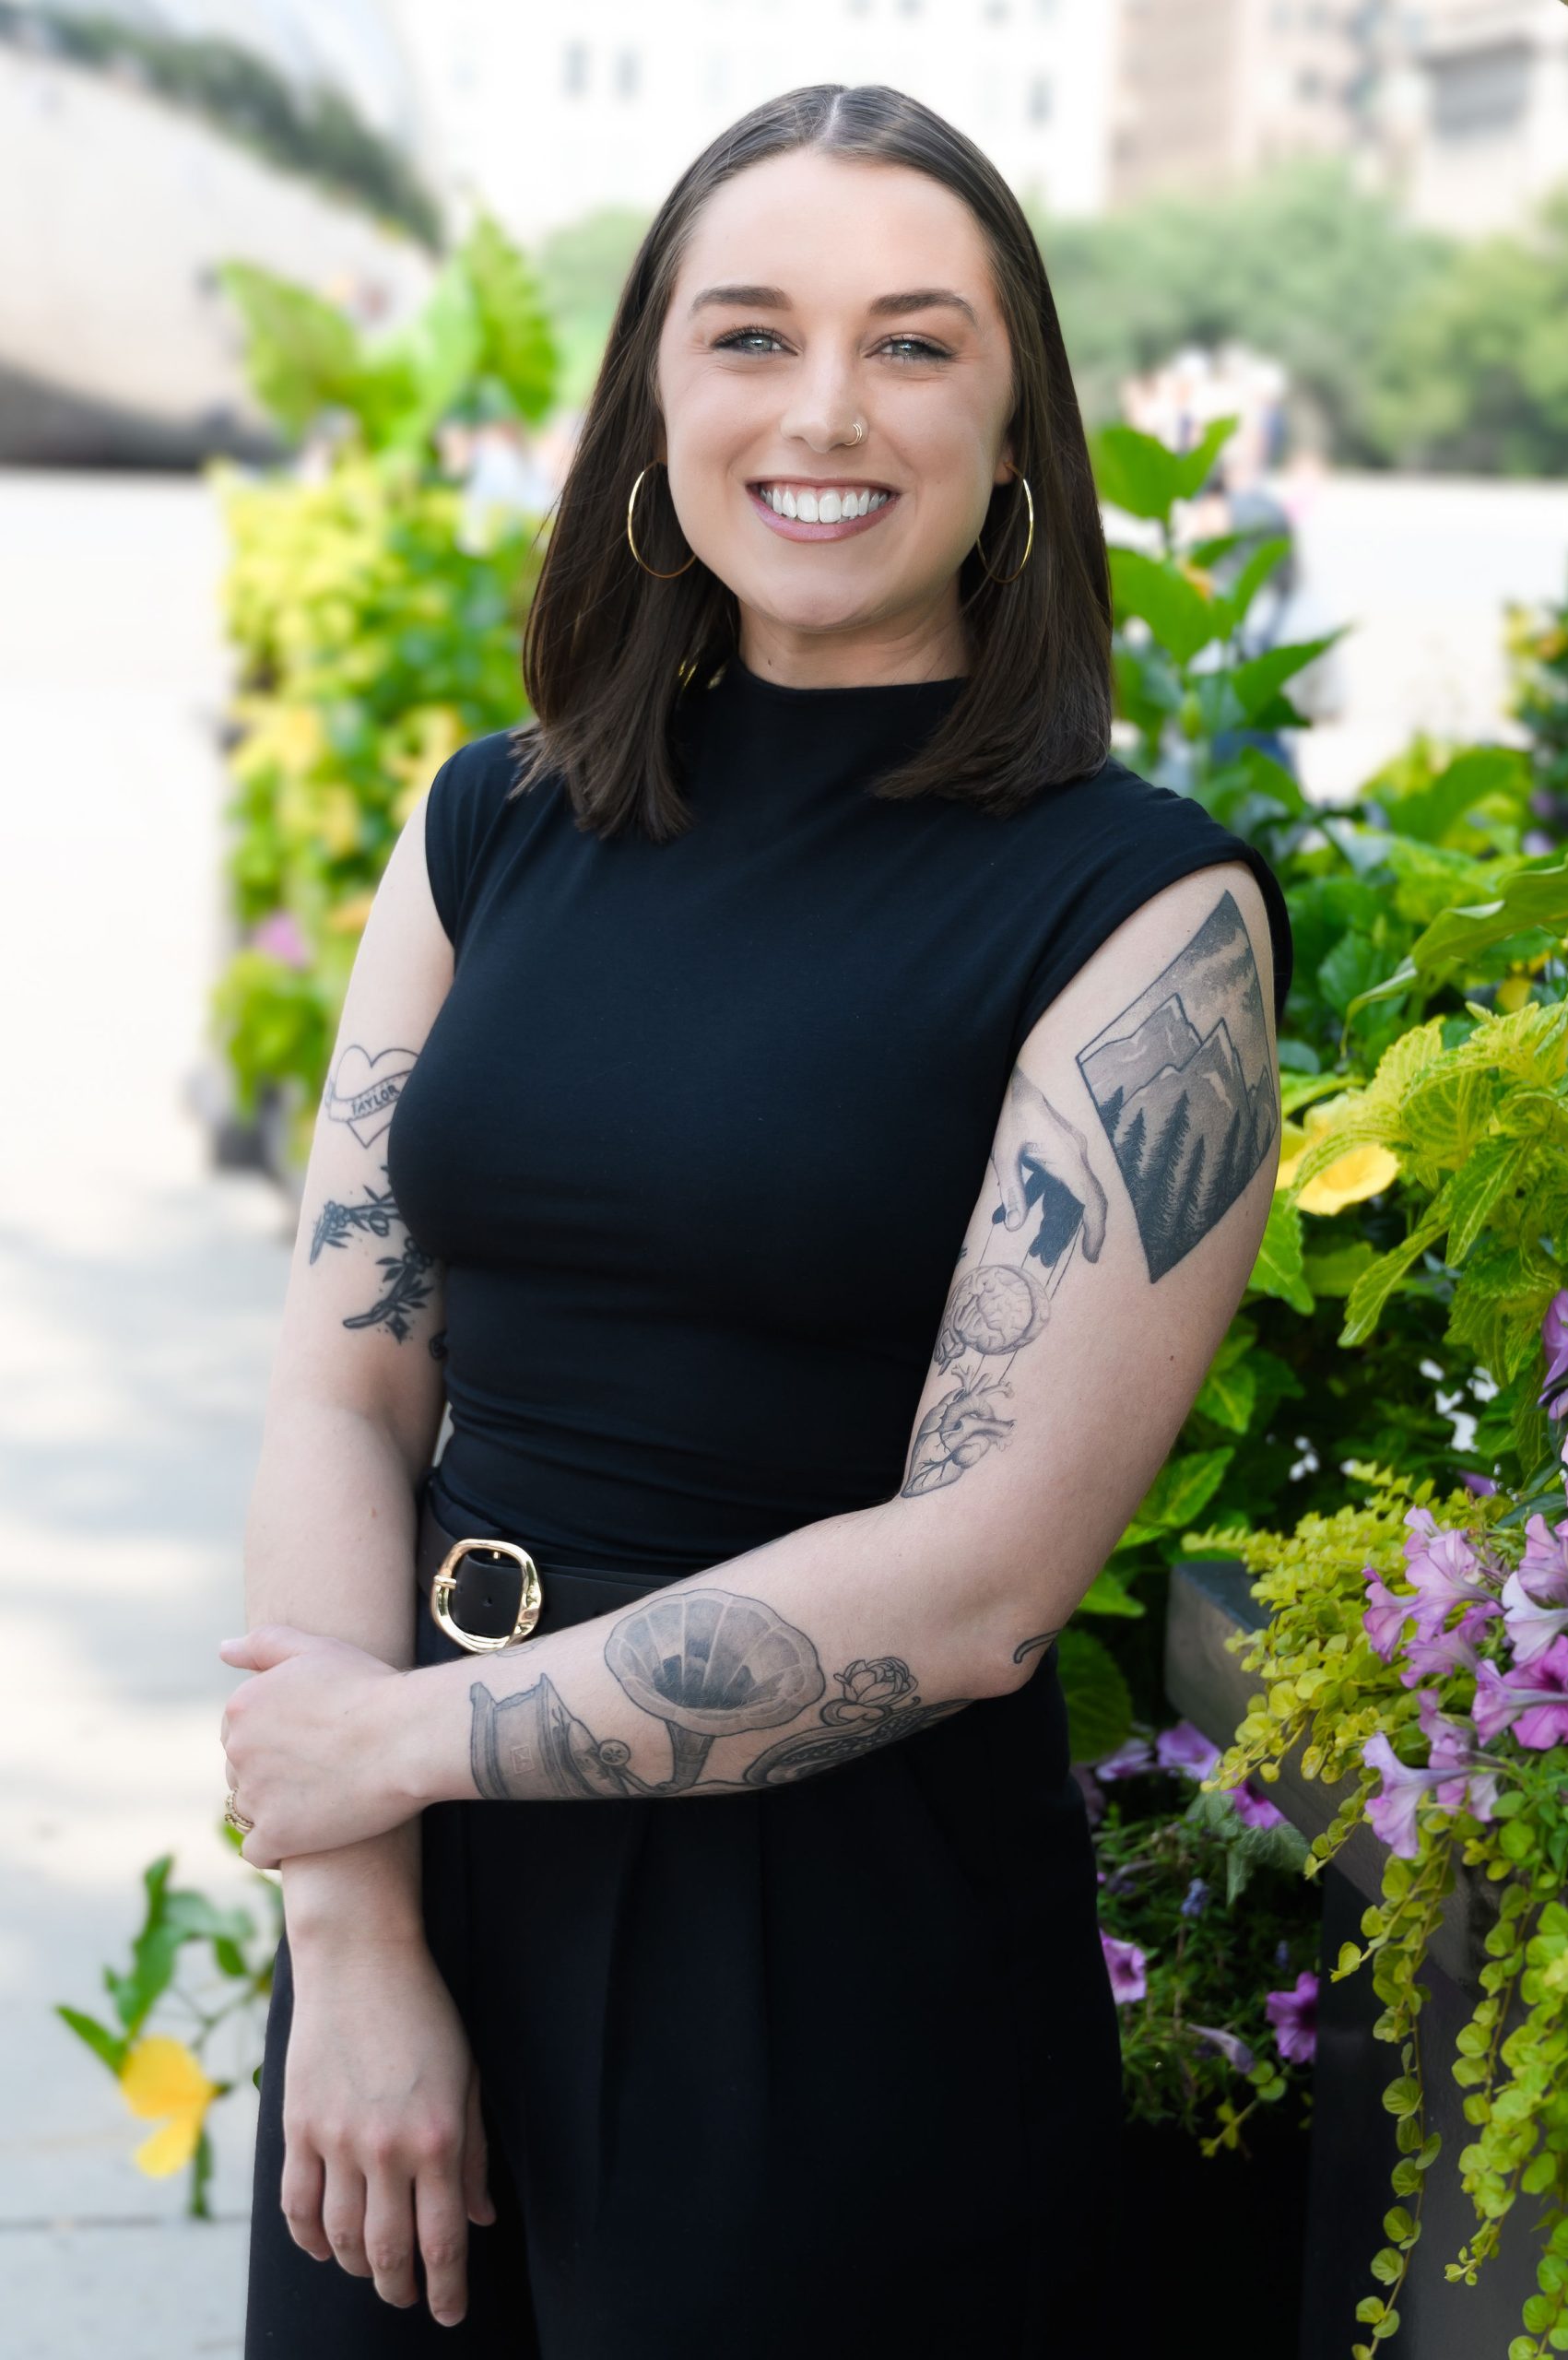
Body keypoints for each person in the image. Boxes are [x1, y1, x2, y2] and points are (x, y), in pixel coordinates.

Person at [223, 81, 1294, 2359]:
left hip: (827, 1949)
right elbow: (341, 1371)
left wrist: (398, 1740)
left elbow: (994, 1572)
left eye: (915, 345)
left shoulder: (1137, 907)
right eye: (750, 336)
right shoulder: (494, 824)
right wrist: (356, 1933)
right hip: (413, 1893)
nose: (826, 411)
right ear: (651, 398)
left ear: (1019, 433)